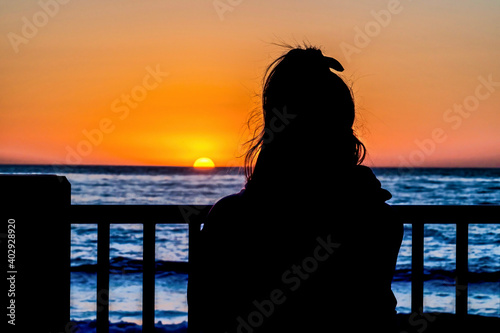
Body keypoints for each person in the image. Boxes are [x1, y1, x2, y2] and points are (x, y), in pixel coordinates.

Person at [188, 46, 404, 332]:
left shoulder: (228, 220)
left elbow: (206, 323)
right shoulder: (378, 221)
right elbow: (374, 317)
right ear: (344, 131)